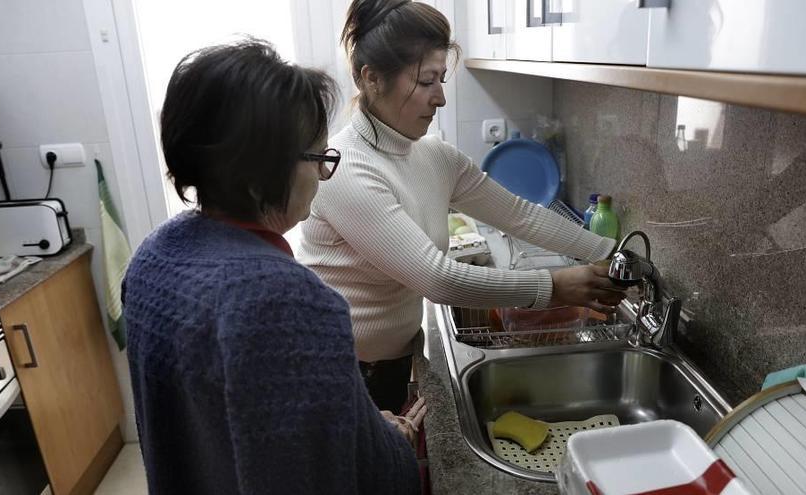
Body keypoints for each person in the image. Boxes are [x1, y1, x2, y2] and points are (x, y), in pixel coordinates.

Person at [122, 39, 422, 494]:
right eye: (319, 159)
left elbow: (227, 418)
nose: (322, 177)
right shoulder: (286, 299)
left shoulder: (153, 257)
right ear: (260, 171)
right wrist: (392, 440)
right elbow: (354, 476)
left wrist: (356, 423)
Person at [298, 0, 627, 414]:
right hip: (341, 372)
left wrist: (608, 253)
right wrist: (555, 286)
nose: (440, 99)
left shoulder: (434, 157)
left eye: (441, 80)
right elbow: (437, 279)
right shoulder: (347, 168)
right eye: (425, 82)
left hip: (392, 361)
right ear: (372, 79)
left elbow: (520, 215)